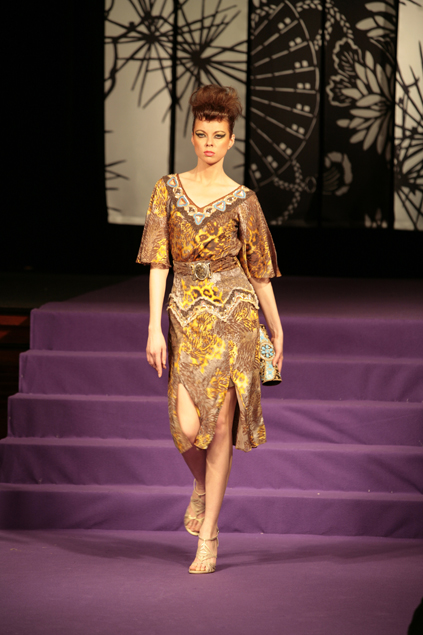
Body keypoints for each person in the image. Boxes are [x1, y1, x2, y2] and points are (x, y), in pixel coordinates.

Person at [136, 84, 283, 574]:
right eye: (202, 134)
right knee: (185, 426)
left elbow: (259, 272)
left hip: (234, 313)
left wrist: (276, 328)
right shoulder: (167, 189)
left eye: (218, 135)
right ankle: (201, 485)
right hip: (184, 313)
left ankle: (210, 535)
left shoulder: (244, 200)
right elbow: (158, 263)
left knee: (219, 426)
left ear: (232, 139)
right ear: (193, 135)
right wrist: (153, 326)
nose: (209, 143)